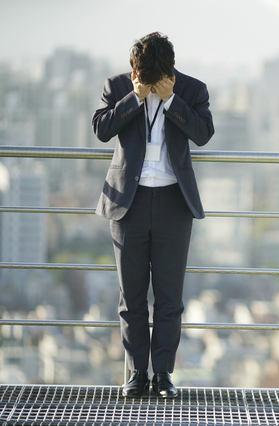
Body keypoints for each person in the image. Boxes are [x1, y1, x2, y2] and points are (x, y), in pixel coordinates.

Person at [92, 32, 214, 398]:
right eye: (139, 74)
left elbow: (204, 133)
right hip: (127, 204)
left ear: (168, 70)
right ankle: (134, 374)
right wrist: (135, 97)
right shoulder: (118, 86)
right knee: (131, 298)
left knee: (168, 297)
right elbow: (101, 129)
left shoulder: (192, 90)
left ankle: (162, 374)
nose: (143, 78)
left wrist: (171, 99)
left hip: (174, 204)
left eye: (150, 76)